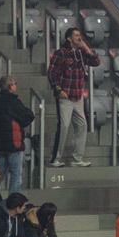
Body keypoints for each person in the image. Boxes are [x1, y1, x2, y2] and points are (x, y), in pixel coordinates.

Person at [47, 27, 101, 168]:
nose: (79, 38)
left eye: (80, 35)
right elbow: (52, 73)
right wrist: (58, 89)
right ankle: (56, 158)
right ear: (69, 38)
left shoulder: (81, 53)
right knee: (64, 126)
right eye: (76, 36)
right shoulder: (61, 53)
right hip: (65, 96)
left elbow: (96, 62)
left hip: (78, 96)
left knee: (82, 125)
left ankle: (77, 158)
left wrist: (87, 48)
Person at [0, 75, 34, 194]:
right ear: (11, 86)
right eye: (15, 83)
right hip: (14, 143)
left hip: (1, 144)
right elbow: (29, 115)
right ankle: (14, 203)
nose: (16, 85)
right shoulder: (13, 102)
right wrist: (22, 122)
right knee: (16, 175)